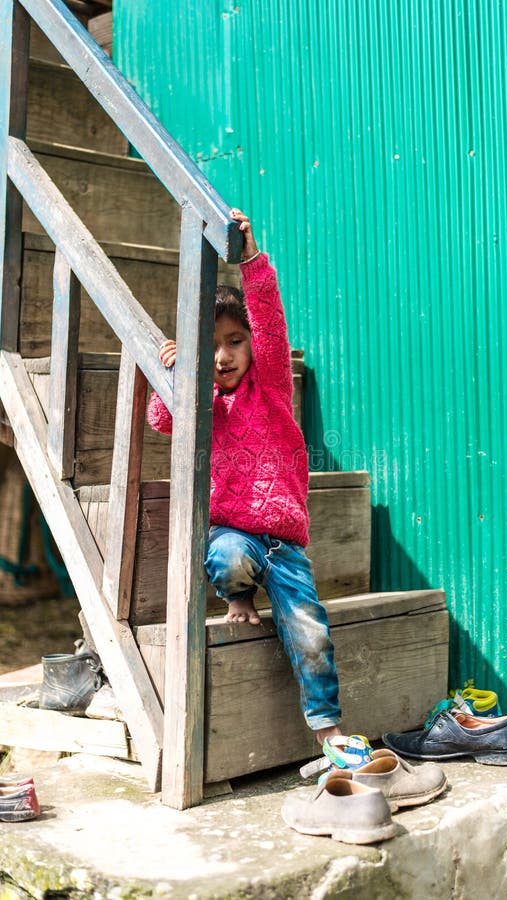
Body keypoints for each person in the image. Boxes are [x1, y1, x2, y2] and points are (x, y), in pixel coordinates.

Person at [146, 209, 341, 746]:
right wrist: (174, 372)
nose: (223, 354)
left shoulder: (272, 386)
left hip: (284, 543)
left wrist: (250, 259)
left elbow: (270, 318)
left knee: (311, 634)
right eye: (210, 345)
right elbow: (161, 420)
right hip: (232, 533)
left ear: (253, 346)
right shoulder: (201, 399)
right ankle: (237, 597)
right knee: (228, 557)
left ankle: (330, 732)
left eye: (234, 341)